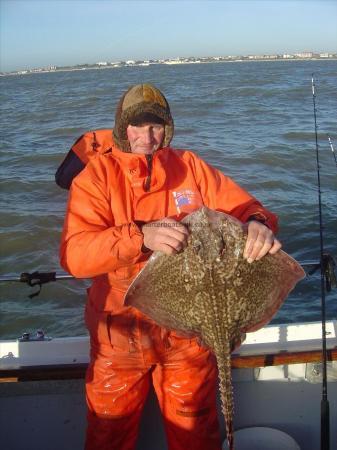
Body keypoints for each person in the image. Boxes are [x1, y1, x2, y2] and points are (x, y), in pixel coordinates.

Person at [60, 83, 281, 450]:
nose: (147, 137)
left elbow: (245, 207)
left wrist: (258, 222)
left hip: (187, 338)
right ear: (121, 128)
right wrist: (140, 237)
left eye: (156, 127)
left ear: (167, 129)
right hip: (119, 333)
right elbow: (75, 256)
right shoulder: (96, 177)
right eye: (137, 127)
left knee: (196, 435)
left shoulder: (189, 166)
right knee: (107, 436)